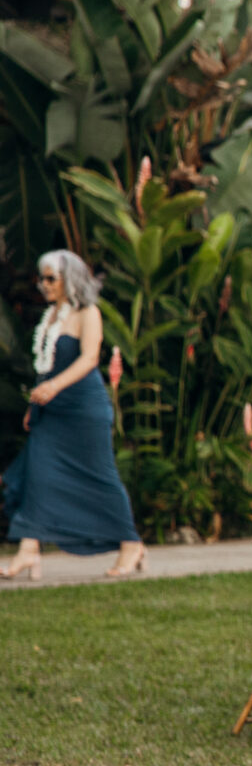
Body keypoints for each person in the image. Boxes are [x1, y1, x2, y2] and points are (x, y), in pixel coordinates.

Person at [1, 249, 145, 580]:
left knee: (101, 475)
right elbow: (45, 369)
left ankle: (130, 543)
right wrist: (36, 403)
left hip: (84, 408)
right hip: (52, 412)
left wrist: (53, 388)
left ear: (70, 279)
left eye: (51, 279)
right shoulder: (51, 316)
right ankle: (29, 550)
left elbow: (89, 358)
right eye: (42, 279)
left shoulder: (87, 312)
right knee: (37, 474)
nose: (44, 285)